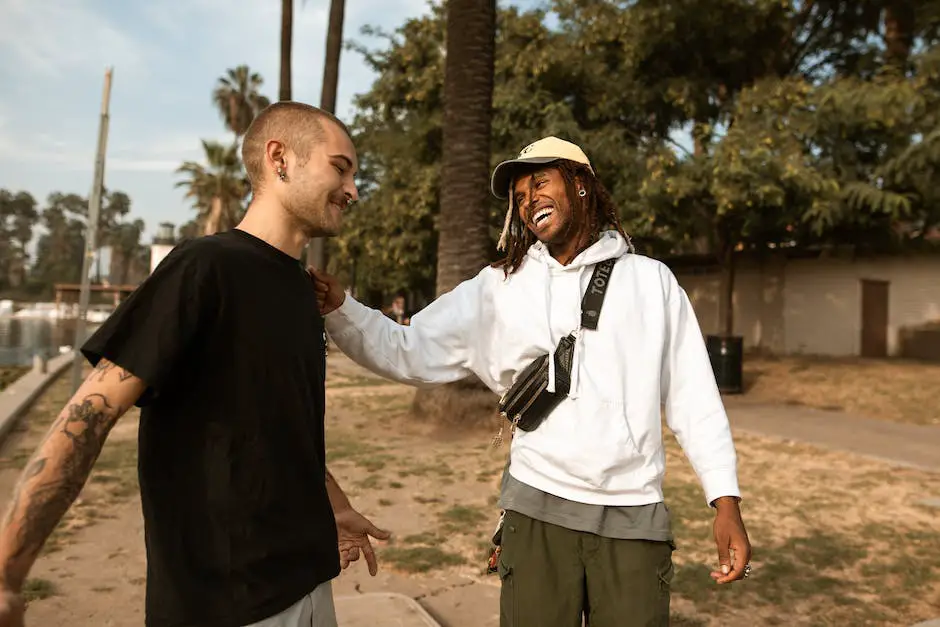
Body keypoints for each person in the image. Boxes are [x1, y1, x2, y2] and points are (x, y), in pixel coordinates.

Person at [311, 136, 752, 626]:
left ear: (581, 184)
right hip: (537, 510)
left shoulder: (652, 282)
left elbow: (694, 398)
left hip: (633, 514)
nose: (528, 201)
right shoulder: (497, 287)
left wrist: (725, 501)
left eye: (540, 182)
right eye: (519, 197)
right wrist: (342, 309)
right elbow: (408, 349)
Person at [0, 102, 390, 627]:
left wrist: (334, 505)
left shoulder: (302, 290)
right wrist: (7, 572)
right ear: (280, 158)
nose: (353, 190)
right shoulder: (205, 266)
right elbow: (87, 417)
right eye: (340, 167)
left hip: (308, 583)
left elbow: (271, 420)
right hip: (225, 605)